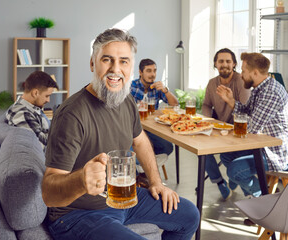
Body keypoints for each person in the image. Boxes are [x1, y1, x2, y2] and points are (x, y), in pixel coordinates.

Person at [41, 28, 199, 240]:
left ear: (131, 66)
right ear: (92, 63)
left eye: (124, 61)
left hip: (123, 200)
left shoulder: (126, 101)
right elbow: (48, 194)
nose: (115, 69)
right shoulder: (71, 114)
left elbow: (141, 141)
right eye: (107, 60)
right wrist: (80, 180)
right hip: (77, 215)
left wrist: (156, 183)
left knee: (189, 215)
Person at [216, 52, 288, 198]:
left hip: (281, 154)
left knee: (234, 171)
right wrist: (230, 100)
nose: (241, 75)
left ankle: (267, 202)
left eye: (243, 71)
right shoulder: (259, 88)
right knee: (226, 155)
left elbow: (252, 127)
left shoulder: (271, 92)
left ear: (255, 73)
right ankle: (255, 195)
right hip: (266, 147)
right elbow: (246, 112)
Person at [201, 48, 251, 200]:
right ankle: (220, 183)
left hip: (239, 131)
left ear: (234, 64)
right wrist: (208, 122)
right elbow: (206, 105)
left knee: (227, 155)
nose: (225, 64)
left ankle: (239, 183)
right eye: (221, 61)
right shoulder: (212, 83)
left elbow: (245, 111)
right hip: (219, 128)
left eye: (228, 61)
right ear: (215, 64)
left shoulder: (241, 82)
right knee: (202, 150)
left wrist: (230, 100)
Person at [130, 59, 178, 179]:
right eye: (149, 71)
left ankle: (144, 165)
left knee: (168, 146)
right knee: (129, 148)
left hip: (150, 128)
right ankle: (144, 168)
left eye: (154, 71)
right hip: (133, 129)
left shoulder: (157, 87)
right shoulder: (132, 86)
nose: (152, 74)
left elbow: (175, 104)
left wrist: (165, 90)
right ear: (140, 72)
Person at [6, 71, 58, 150]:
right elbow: (38, 147)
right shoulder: (22, 114)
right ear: (35, 93)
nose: (48, 100)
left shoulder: (33, 108)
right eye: (47, 96)